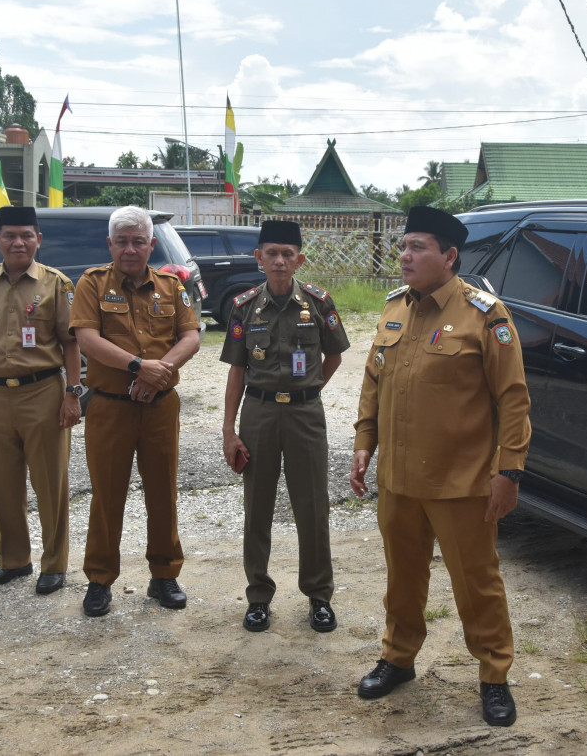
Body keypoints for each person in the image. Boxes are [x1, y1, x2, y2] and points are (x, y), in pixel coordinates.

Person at [350, 205, 531, 727]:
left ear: (449, 256)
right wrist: (366, 440)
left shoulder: (484, 314)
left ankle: (494, 674)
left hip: (462, 481)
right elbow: (373, 381)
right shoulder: (393, 310)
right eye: (404, 246)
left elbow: (513, 400)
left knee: (476, 582)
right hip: (399, 479)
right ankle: (398, 657)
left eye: (418, 247)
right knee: (402, 578)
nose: (405, 255)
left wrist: (509, 471)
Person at [69, 205, 201, 617]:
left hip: (160, 407)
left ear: (150, 244)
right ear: (110, 244)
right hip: (110, 408)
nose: (130, 248)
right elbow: (86, 339)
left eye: (138, 241)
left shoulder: (170, 286)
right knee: (107, 495)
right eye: (122, 241)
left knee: (163, 491)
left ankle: (164, 575)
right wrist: (137, 367)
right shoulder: (92, 284)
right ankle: (99, 579)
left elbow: (191, 336)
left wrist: (158, 375)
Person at [220, 220, 351, 633]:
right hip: (257, 413)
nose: (279, 261)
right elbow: (237, 370)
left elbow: (334, 357)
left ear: (300, 259)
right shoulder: (243, 306)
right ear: (258, 258)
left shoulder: (319, 303)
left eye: (287, 253)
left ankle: (318, 596)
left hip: (304, 416)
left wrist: (308, 390)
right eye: (271, 253)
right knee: (256, 506)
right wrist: (229, 428)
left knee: (313, 506)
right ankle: (258, 596)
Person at [0, 206, 82, 596]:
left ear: (38, 240)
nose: (18, 242)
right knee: (2, 482)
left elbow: (71, 343)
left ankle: (54, 564)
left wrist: (72, 393)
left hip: (42, 392)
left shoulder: (56, 284)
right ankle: (12, 560)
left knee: (50, 483)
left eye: (26, 235)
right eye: (9, 235)